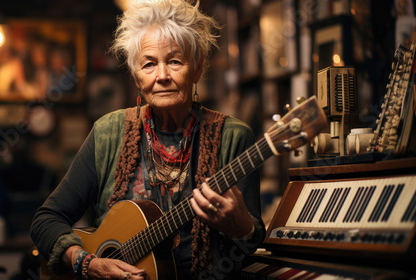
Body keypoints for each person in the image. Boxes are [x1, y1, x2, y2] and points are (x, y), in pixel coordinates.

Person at [30, 0, 265, 279]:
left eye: (175, 61)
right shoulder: (108, 132)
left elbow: (250, 246)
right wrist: (87, 263)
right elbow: (45, 221)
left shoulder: (233, 137)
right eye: (149, 64)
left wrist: (241, 228)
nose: (162, 75)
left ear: (198, 68)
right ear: (135, 75)